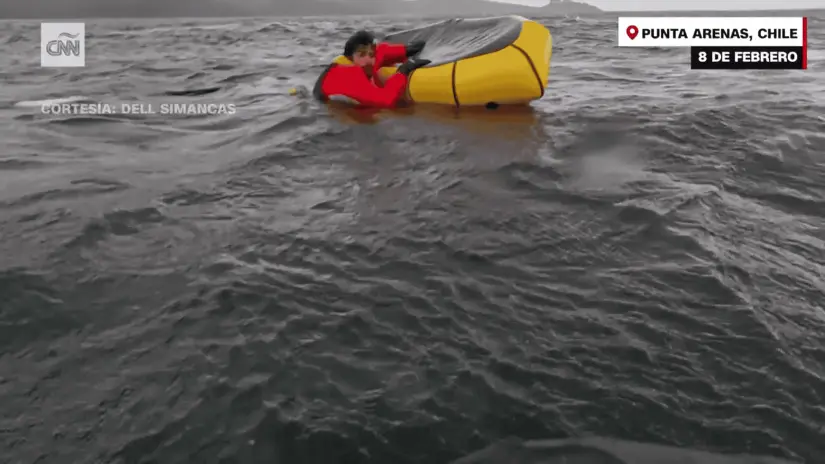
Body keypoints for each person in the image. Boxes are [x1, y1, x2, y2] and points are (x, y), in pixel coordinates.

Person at [312, 30, 430, 109]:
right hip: (330, 107)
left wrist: (406, 50)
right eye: (362, 55)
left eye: (371, 54)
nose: (368, 60)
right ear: (349, 58)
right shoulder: (348, 75)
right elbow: (385, 100)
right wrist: (403, 71)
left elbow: (381, 52)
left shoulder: (363, 60)